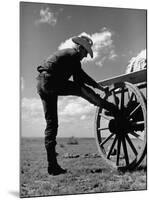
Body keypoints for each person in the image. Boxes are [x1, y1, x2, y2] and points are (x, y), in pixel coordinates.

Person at [36, 35, 119, 175]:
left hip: (42, 83)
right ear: (80, 48)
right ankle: (109, 108)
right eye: (85, 52)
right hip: (51, 81)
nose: (85, 56)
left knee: (51, 125)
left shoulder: (69, 56)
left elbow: (81, 75)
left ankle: (52, 166)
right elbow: (80, 80)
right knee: (81, 89)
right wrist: (96, 95)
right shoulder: (73, 55)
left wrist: (97, 86)